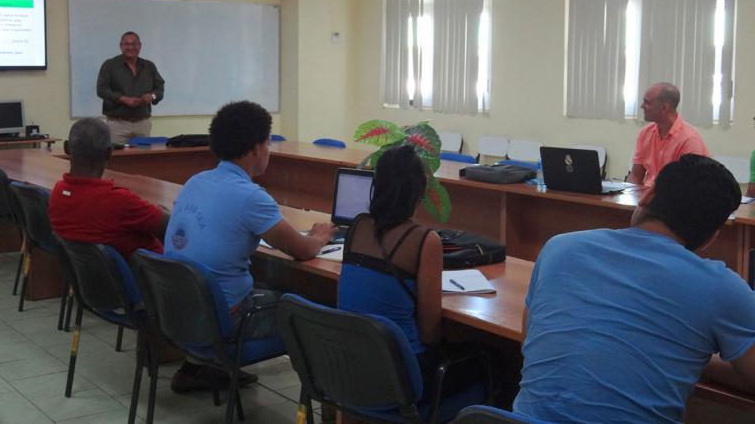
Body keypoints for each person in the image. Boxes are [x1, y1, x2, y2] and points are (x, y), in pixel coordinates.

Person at [515, 154, 755, 423]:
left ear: (647, 196)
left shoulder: (559, 247)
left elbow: (530, 338)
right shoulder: (721, 287)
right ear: (712, 236)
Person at [163, 100, 335, 392]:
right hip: (226, 322)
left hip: (181, 314)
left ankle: (197, 369)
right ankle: (329, 403)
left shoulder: (195, 182)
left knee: (263, 282)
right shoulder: (250, 197)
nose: (269, 150)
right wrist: (320, 235)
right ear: (256, 147)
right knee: (316, 307)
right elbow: (302, 251)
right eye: (268, 142)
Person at [337, 145, 486, 401]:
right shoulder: (424, 240)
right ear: (419, 192)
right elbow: (430, 333)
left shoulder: (357, 226)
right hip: (403, 377)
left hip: (354, 369)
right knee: (491, 361)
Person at [49, 118, 168, 260]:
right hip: (149, 278)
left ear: (66, 148)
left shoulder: (57, 193)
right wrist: (164, 212)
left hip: (96, 280)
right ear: (109, 153)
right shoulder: (120, 202)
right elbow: (172, 226)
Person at [627, 82, 709, 186]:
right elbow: (635, 175)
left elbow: (690, 186)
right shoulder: (645, 133)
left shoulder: (689, 140)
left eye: (647, 102)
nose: (642, 106)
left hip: (675, 199)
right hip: (649, 196)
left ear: (664, 107)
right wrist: (626, 196)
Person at [96, 31, 165, 144]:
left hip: (143, 123)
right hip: (117, 124)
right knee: (117, 159)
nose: (131, 47)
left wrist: (152, 96)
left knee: (144, 159)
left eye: (134, 44)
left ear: (140, 46)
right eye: (127, 44)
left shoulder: (149, 66)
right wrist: (123, 99)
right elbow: (101, 90)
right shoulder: (109, 65)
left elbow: (159, 88)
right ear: (121, 46)